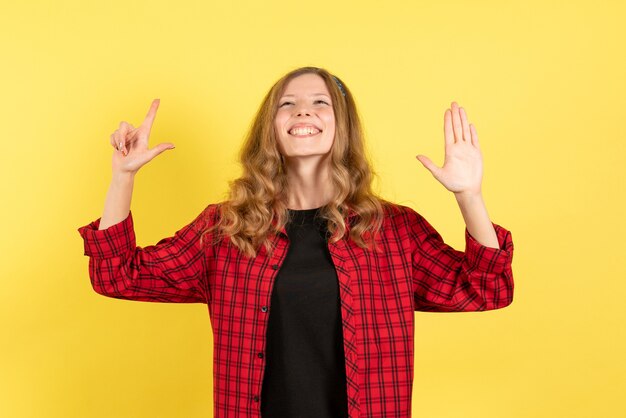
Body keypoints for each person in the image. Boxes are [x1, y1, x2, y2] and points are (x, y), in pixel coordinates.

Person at [77, 66, 514, 418]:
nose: (303, 112)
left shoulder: (394, 230)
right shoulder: (225, 230)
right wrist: (123, 177)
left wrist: (468, 195)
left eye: (320, 103)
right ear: (271, 128)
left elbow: (485, 289)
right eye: (288, 105)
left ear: (343, 128)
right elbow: (119, 276)